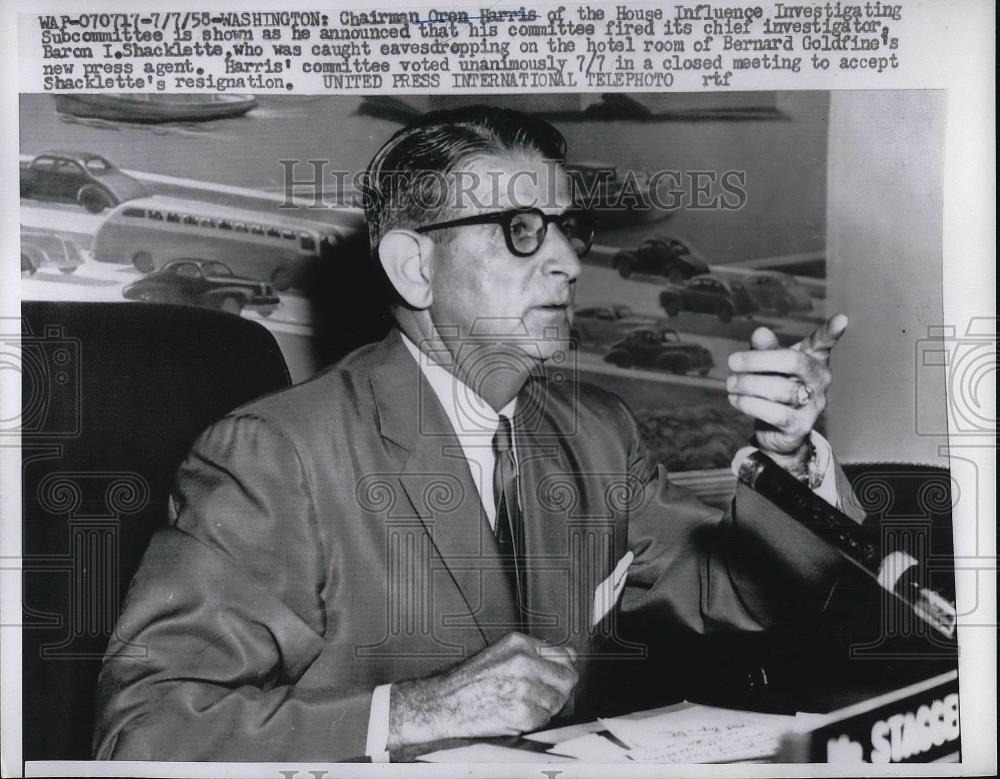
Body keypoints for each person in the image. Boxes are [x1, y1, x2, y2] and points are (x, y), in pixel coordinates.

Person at [94, 107, 864, 762]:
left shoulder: (597, 432)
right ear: (413, 267)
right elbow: (144, 729)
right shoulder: (276, 454)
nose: (566, 261)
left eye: (570, 228)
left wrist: (788, 452)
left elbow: (735, 593)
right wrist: (415, 711)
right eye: (520, 230)